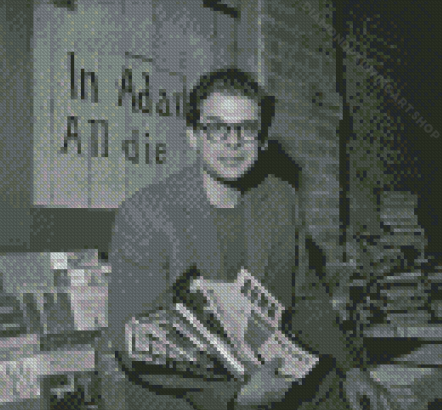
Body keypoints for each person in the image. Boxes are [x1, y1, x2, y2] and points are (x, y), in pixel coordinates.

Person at [106, 67, 398, 410]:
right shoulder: (145, 212)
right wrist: (235, 397)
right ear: (192, 135)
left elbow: (305, 297)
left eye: (246, 129)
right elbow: (134, 338)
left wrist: (352, 370)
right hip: (185, 395)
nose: (233, 141)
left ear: (261, 140)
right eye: (216, 128)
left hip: (269, 376)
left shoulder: (280, 199)